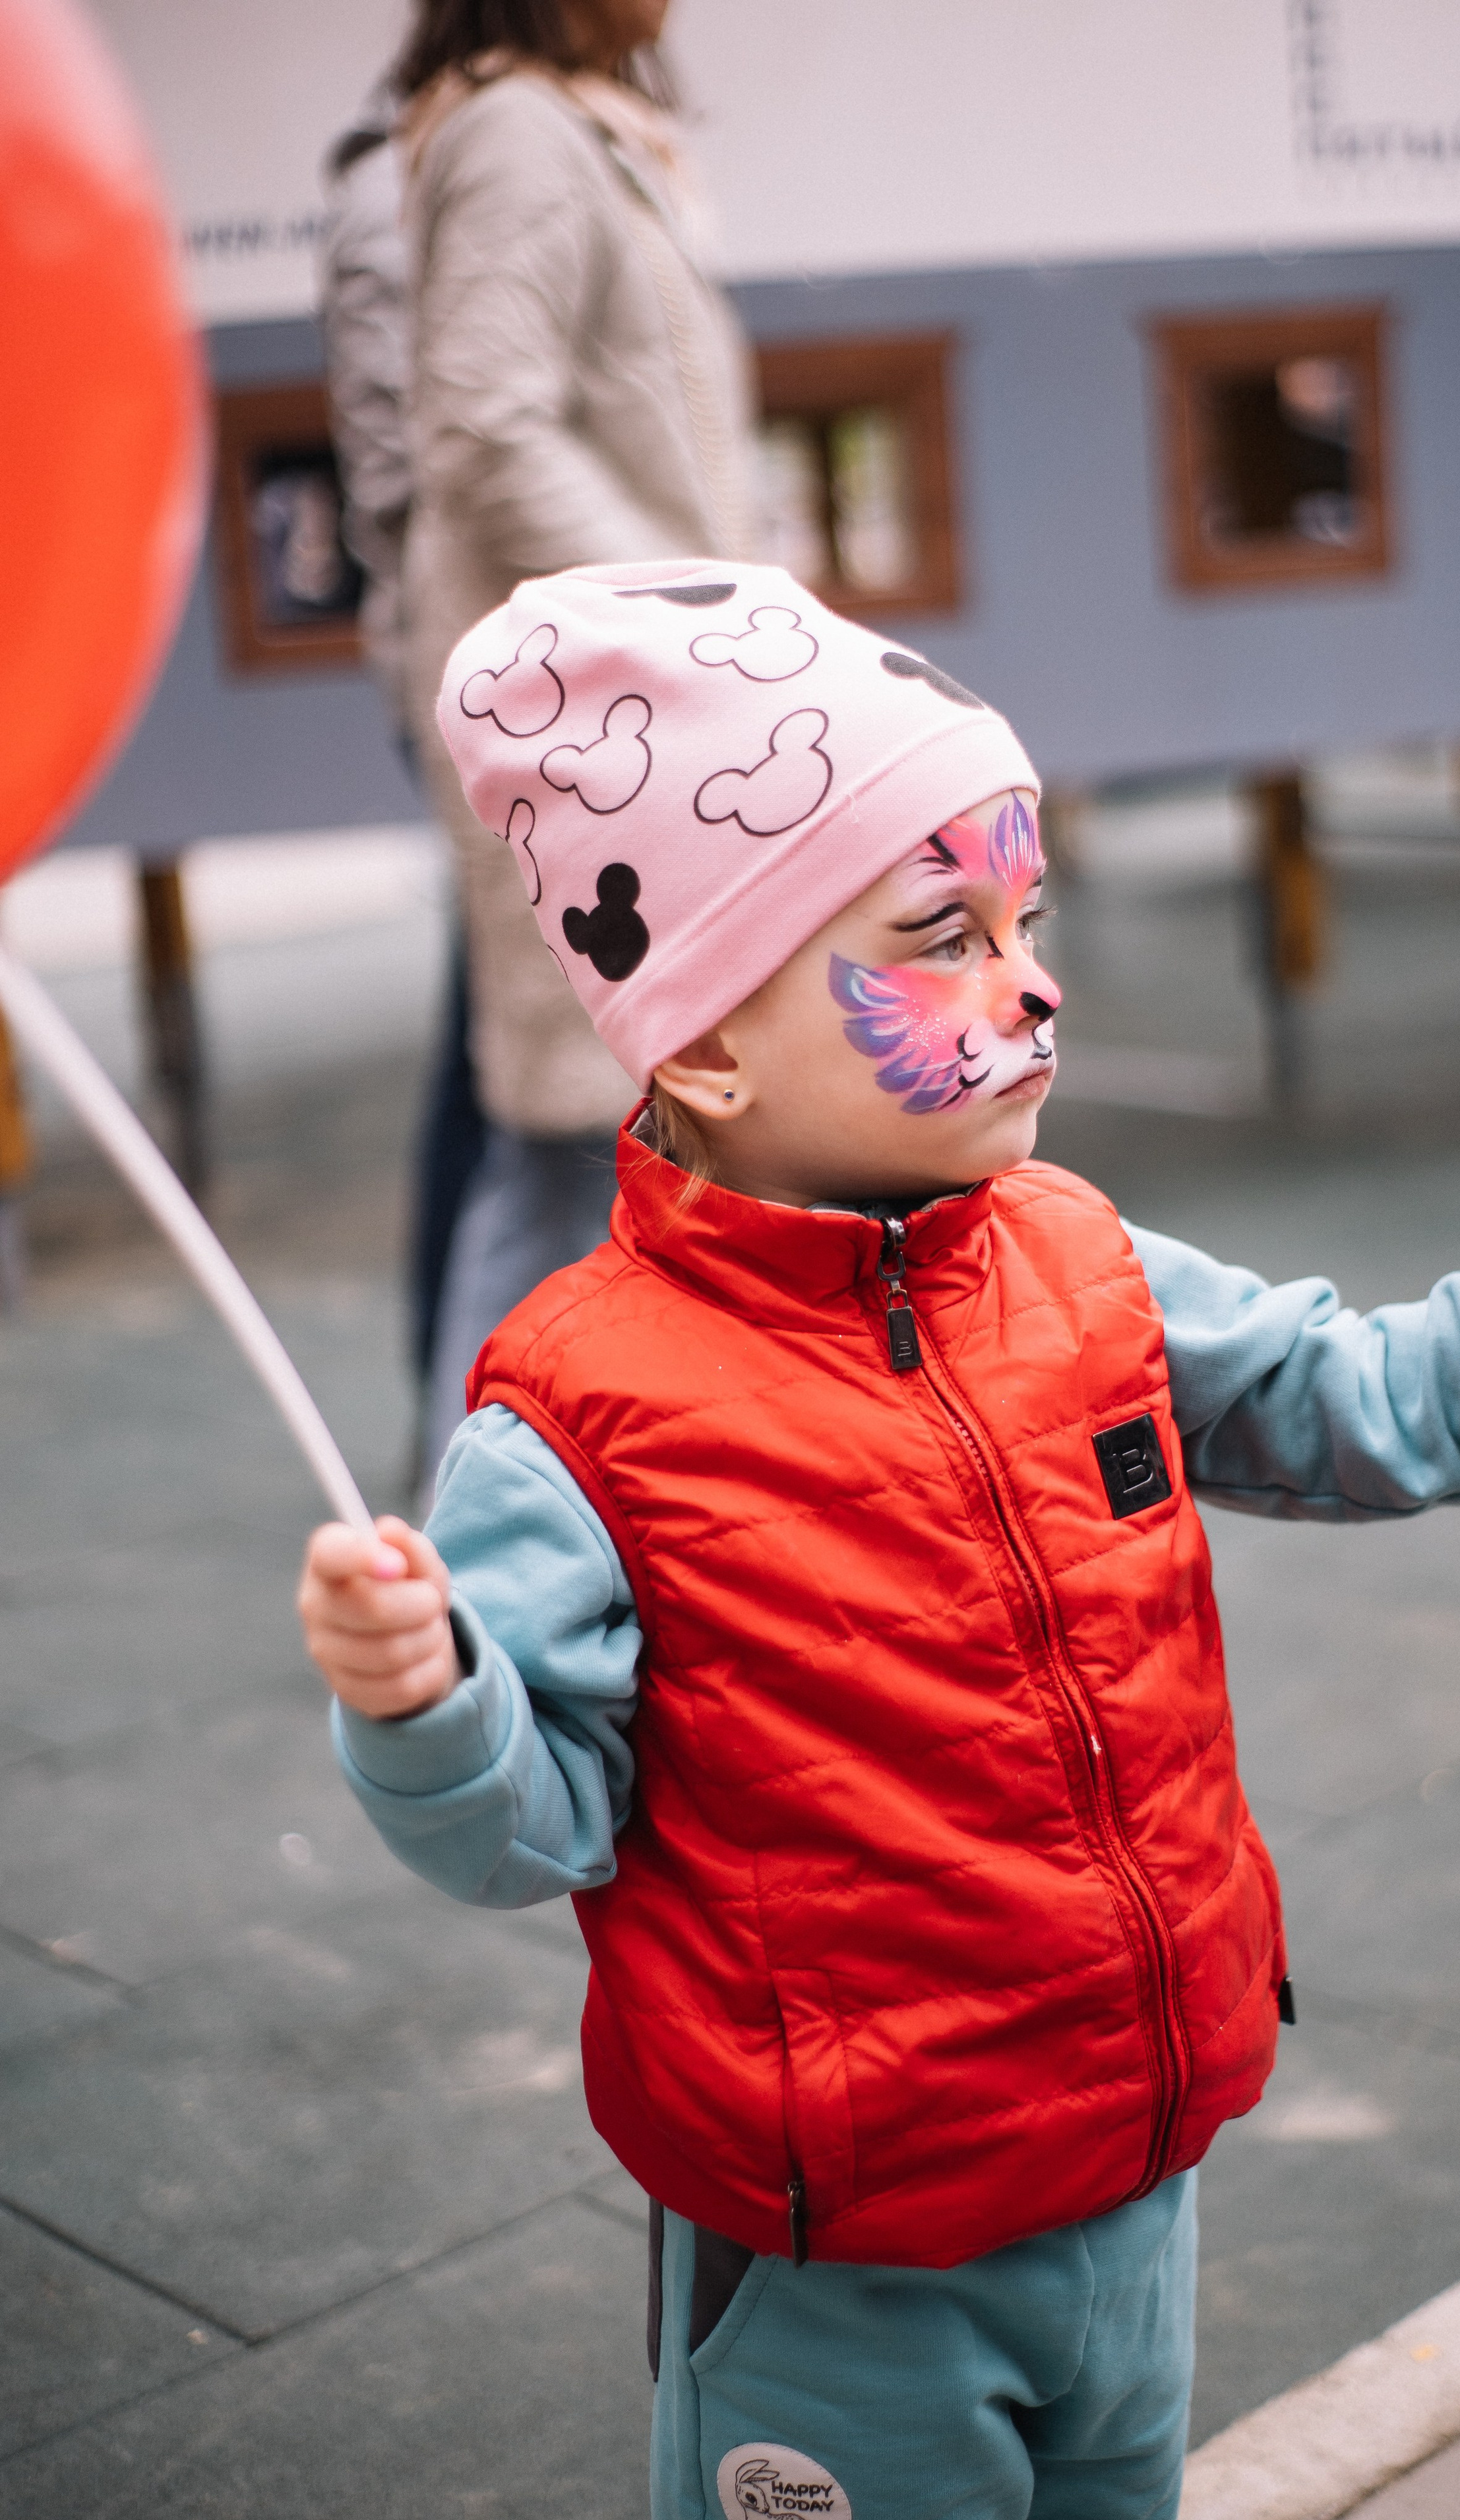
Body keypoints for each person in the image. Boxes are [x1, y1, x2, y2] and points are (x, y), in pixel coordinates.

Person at [296, 562, 1460, 2520]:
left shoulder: (1082, 1261)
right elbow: (524, 1831)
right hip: (841, 2275)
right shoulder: (575, 1415)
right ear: (698, 1044)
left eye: (1032, 921)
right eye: (940, 936)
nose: (1030, 988)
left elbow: (1385, 1405)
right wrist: (422, 1699)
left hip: (1133, 2190)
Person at [393, 0, 757, 1483]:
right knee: (561, 1150)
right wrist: (687, 620)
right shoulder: (513, 136)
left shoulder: (574, 129)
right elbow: (481, 424)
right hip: (582, 730)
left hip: (630, 712)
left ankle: (519, 1548)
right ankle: (466, 1589)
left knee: (601, 1140)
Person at [319, 86, 491, 1449]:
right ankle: (460, 1406)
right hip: (480, 674)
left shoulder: (503, 145)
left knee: (508, 1047)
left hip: (529, 671)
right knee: (499, 1052)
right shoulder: (401, 181)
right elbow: (411, 477)